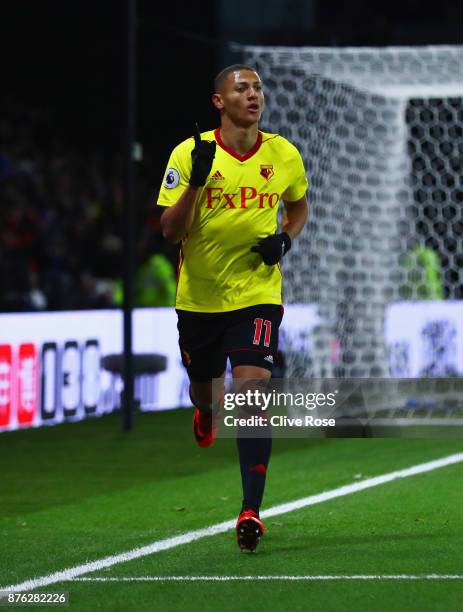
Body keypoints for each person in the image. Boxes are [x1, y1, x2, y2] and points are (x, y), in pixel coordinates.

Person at [157, 64, 308, 551]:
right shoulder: (191, 152)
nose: (253, 95)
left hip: (257, 295)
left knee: (251, 392)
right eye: (241, 88)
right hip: (199, 300)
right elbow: (169, 232)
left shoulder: (282, 153)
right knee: (209, 394)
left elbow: (299, 207)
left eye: (258, 88)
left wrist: (284, 240)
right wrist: (198, 184)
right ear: (218, 101)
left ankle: (251, 510)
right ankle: (203, 410)